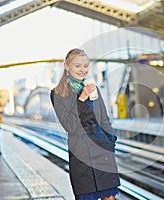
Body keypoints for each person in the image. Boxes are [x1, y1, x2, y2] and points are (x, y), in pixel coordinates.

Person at [50, 48, 120, 200]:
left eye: (86, 66)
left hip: (102, 147)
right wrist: (81, 100)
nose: (83, 70)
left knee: (109, 196)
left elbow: (104, 118)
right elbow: (70, 126)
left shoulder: (92, 87)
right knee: (86, 196)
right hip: (81, 151)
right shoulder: (58, 93)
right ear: (67, 66)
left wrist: (110, 140)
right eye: (78, 66)